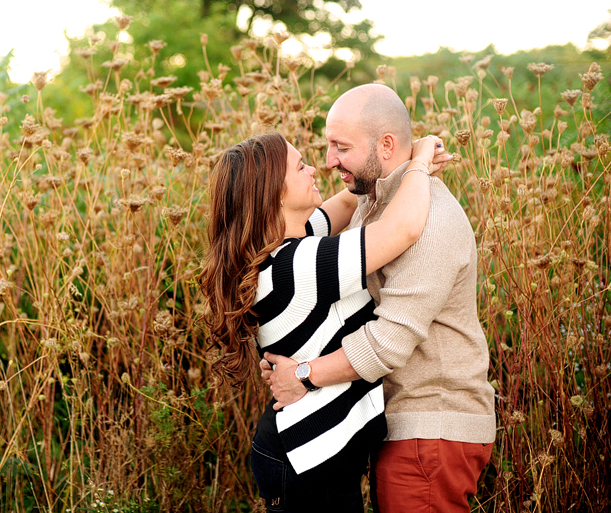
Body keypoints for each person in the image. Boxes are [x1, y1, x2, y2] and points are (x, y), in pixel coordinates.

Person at [262, 84, 496, 513]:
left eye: (341, 147)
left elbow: (387, 341)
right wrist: (415, 165)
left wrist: (304, 373)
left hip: (432, 426)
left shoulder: (428, 220)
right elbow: (353, 206)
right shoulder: (373, 203)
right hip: (401, 426)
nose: (329, 161)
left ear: (385, 145)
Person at [199, 131, 448, 512]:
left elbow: (348, 201)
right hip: (309, 460)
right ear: (276, 195)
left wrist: (395, 157)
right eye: (300, 167)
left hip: (309, 454)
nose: (315, 168)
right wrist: (420, 162)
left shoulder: (281, 245)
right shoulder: (295, 266)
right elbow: (403, 229)